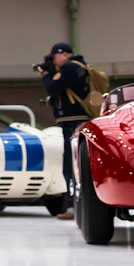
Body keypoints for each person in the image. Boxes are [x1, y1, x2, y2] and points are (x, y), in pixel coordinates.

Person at [38, 41, 94, 220]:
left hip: (73, 121)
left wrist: (45, 74)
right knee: (78, 163)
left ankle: (73, 207)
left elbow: (53, 87)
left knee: (71, 165)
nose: (53, 62)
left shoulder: (70, 68)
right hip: (77, 120)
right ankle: (79, 206)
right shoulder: (80, 68)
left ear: (64, 54)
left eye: (54, 57)